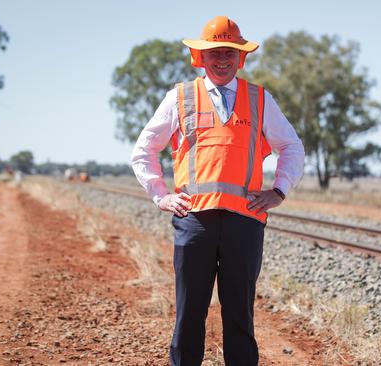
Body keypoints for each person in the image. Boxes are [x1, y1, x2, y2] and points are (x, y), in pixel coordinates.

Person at [130, 15, 304, 366]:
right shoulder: (180, 97)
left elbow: (292, 147)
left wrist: (279, 191)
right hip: (193, 221)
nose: (222, 60)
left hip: (244, 223)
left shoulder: (259, 99)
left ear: (241, 57)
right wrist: (160, 195)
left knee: (240, 314)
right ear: (200, 57)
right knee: (189, 312)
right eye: (214, 53)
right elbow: (144, 149)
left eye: (229, 52)